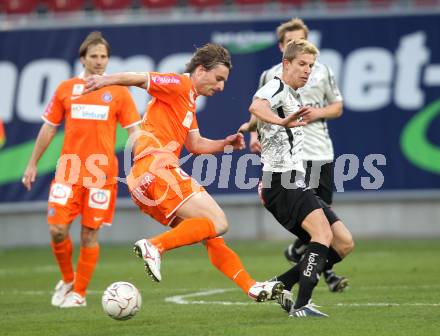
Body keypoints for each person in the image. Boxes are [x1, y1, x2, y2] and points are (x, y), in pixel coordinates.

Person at [84, 43, 284, 302]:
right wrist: (105, 80)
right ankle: (154, 246)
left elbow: (196, 145)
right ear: (201, 70)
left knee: (210, 235)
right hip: (157, 167)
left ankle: (251, 287)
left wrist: (224, 143)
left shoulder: (188, 102)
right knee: (220, 222)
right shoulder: (179, 84)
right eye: (218, 79)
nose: (221, 86)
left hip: (141, 182)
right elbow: (140, 78)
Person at [22, 32, 142, 308]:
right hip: (69, 171)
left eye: (103, 57)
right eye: (94, 56)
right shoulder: (66, 89)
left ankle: (79, 294)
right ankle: (67, 278)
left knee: (89, 234)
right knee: (57, 230)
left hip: (101, 175)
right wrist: (32, 163)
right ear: (83, 59)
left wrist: (144, 162)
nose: (99, 62)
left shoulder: (120, 92)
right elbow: (49, 127)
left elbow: (134, 131)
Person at [242, 39, 354, 317]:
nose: (307, 70)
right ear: (286, 63)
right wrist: (279, 122)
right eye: (302, 64)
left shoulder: (292, 95)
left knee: (343, 242)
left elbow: (257, 116)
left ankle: (279, 284)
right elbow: (257, 105)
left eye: (311, 66)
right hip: (281, 181)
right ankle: (302, 305)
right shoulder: (276, 86)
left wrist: (251, 129)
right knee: (323, 234)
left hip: (294, 180)